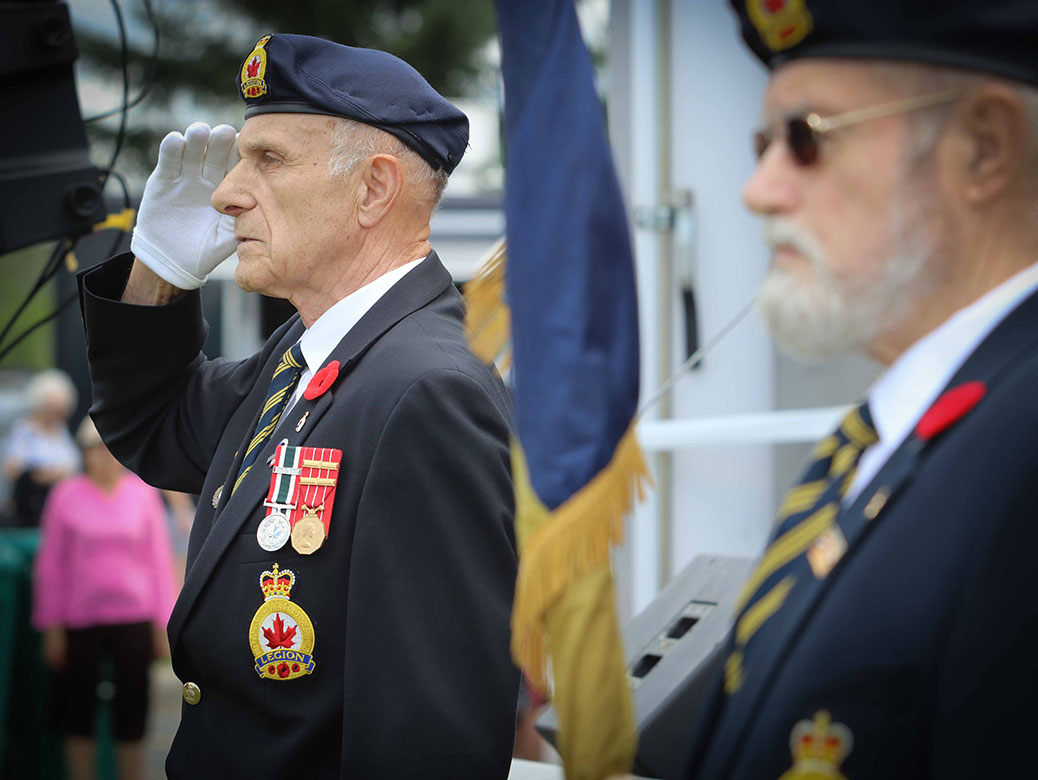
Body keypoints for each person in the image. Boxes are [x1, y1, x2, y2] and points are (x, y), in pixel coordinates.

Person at [78, 34, 518, 779]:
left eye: (270, 160)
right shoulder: (309, 351)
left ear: (374, 189)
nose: (226, 193)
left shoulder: (426, 392)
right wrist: (158, 272)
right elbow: (157, 427)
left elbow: (424, 742)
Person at [681, 2, 1038, 778]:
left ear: (984, 148)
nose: (759, 190)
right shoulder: (901, 434)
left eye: (807, 137)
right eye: (760, 143)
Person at [33, 417, 176, 780]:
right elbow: (51, 565)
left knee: (132, 709)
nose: (104, 457)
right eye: (95, 449)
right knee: (76, 711)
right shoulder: (65, 494)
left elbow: (158, 560)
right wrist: (51, 626)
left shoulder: (142, 493)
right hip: (80, 618)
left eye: (109, 448)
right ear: (85, 454)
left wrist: (163, 624)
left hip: (133, 617)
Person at [1, 369, 80, 526]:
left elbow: (74, 466)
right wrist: (39, 472)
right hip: (28, 511)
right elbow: (10, 467)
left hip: (59, 509)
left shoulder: (62, 433)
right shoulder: (23, 431)